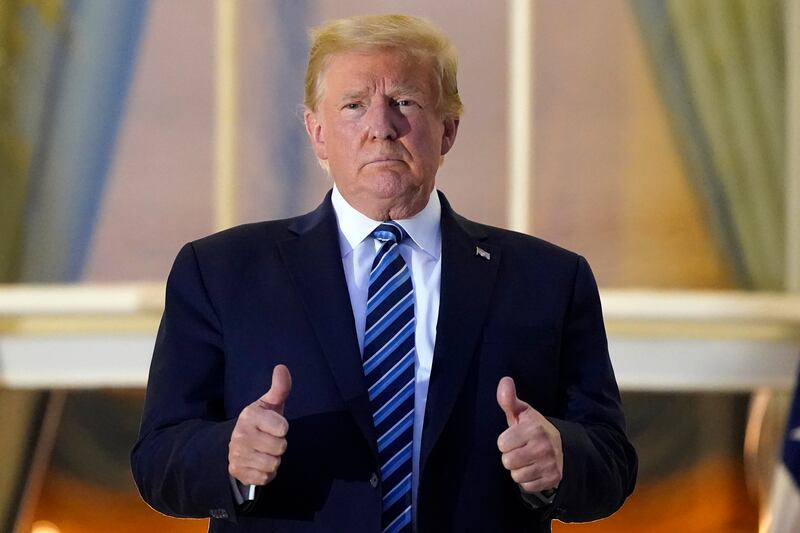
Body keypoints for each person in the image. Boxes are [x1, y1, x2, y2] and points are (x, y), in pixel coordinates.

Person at [131, 13, 637, 533]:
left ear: (448, 129)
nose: (381, 126)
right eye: (354, 105)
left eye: (405, 102)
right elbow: (157, 460)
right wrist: (229, 457)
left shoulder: (548, 280)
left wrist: (561, 459)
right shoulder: (219, 272)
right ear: (317, 133)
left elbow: (612, 462)